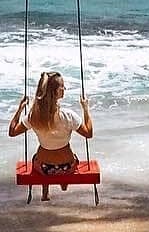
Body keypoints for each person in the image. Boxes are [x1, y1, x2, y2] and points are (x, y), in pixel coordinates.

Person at [9, 70, 92, 200]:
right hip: (67, 167)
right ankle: (64, 183)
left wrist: (20, 109)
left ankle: (45, 193)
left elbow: (12, 132)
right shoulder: (68, 115)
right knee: (72, 157)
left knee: (37, 157)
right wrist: (85, 109)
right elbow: (88, 133)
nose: (64, 88)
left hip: (44, 168)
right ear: (56, 92)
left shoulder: (33, 117)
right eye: (62, 86)